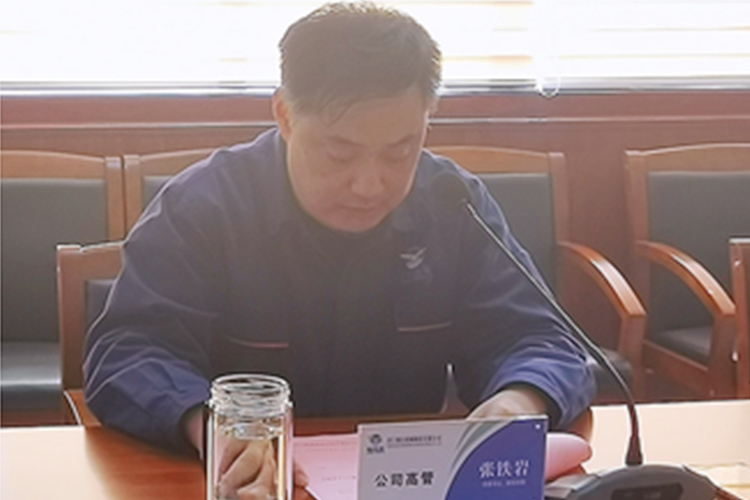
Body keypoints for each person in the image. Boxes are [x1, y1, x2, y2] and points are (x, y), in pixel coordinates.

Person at [84, 2, 595, 498]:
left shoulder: (453, 204)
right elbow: (129, 351)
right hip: (247, 488)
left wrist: (518, 401)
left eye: (399, 152)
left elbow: (539, 338)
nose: (369, 185)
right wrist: (217, 427)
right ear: (285, 115)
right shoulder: (205, 206)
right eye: (340, 152)